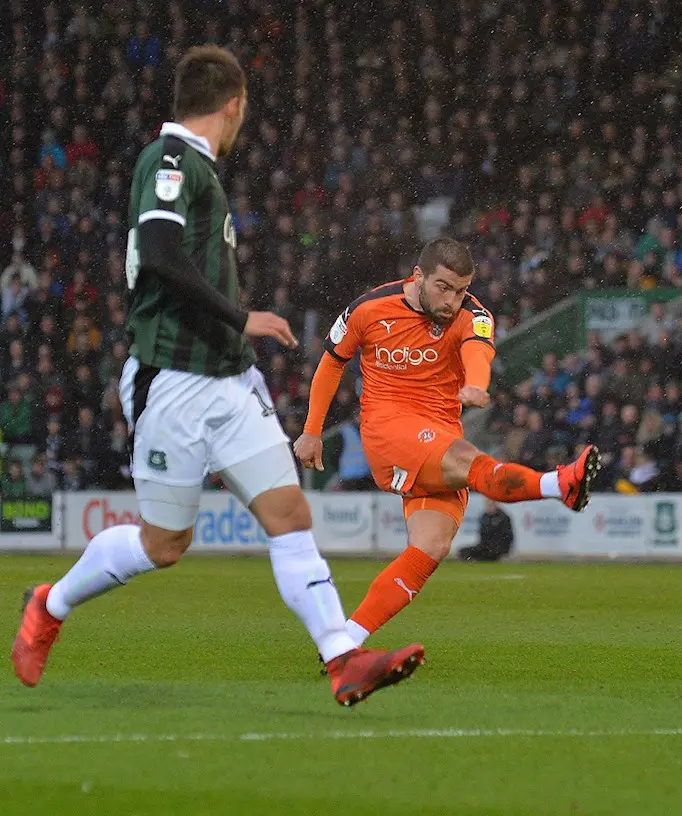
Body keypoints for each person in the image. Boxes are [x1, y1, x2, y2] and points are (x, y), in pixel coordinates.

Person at [10, 47, 424, 707]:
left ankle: (342, 658)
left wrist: (235, 333)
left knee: (288, 515)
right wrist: (240, 316)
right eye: (244, 110)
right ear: (233, 105)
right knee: (164, 543)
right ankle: (50, 604)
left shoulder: (197, 167)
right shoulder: (170, 159)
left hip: (230, 382)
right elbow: (159, 252)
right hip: (173, 382)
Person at [295, 238, 599, 646]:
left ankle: (344, 643)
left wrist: (477, 384)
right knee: (469, 461)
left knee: (431, 547)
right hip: (388, 429)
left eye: (461, 290)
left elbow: (478, 352)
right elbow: (332, 362)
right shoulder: (368, 308)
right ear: (418, 276)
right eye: (443, 287)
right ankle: (559, 484)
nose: (452, 300)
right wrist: (312, 430)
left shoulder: (474, 315)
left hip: (438, 434)